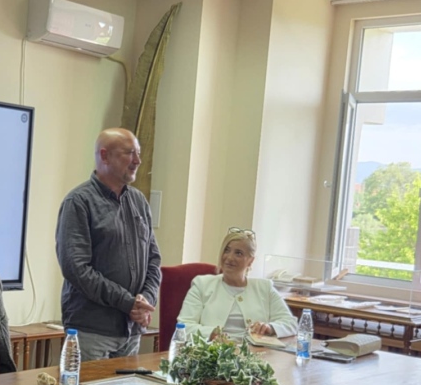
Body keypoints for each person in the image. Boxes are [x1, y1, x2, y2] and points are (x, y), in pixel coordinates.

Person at [56, 127, 161, 361]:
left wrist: (146, 300)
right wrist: (128, 303)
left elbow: (153, 259)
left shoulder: (139, 202)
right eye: (130, 153)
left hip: (131, 330)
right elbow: (76, 269)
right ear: (104, 156)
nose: (137, 161)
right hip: (92, 330)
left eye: (138, 153)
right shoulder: (78, 202)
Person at [177, 228, 297, 341]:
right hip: (213, 351)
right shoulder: (202, 285)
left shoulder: (265, 287)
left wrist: (270, 327)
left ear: (250, 261)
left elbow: (291, 324)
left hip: (255, 352)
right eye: (226, 250)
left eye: (238, 253)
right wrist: (211, 333)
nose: (229, 257)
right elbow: (184, 326)